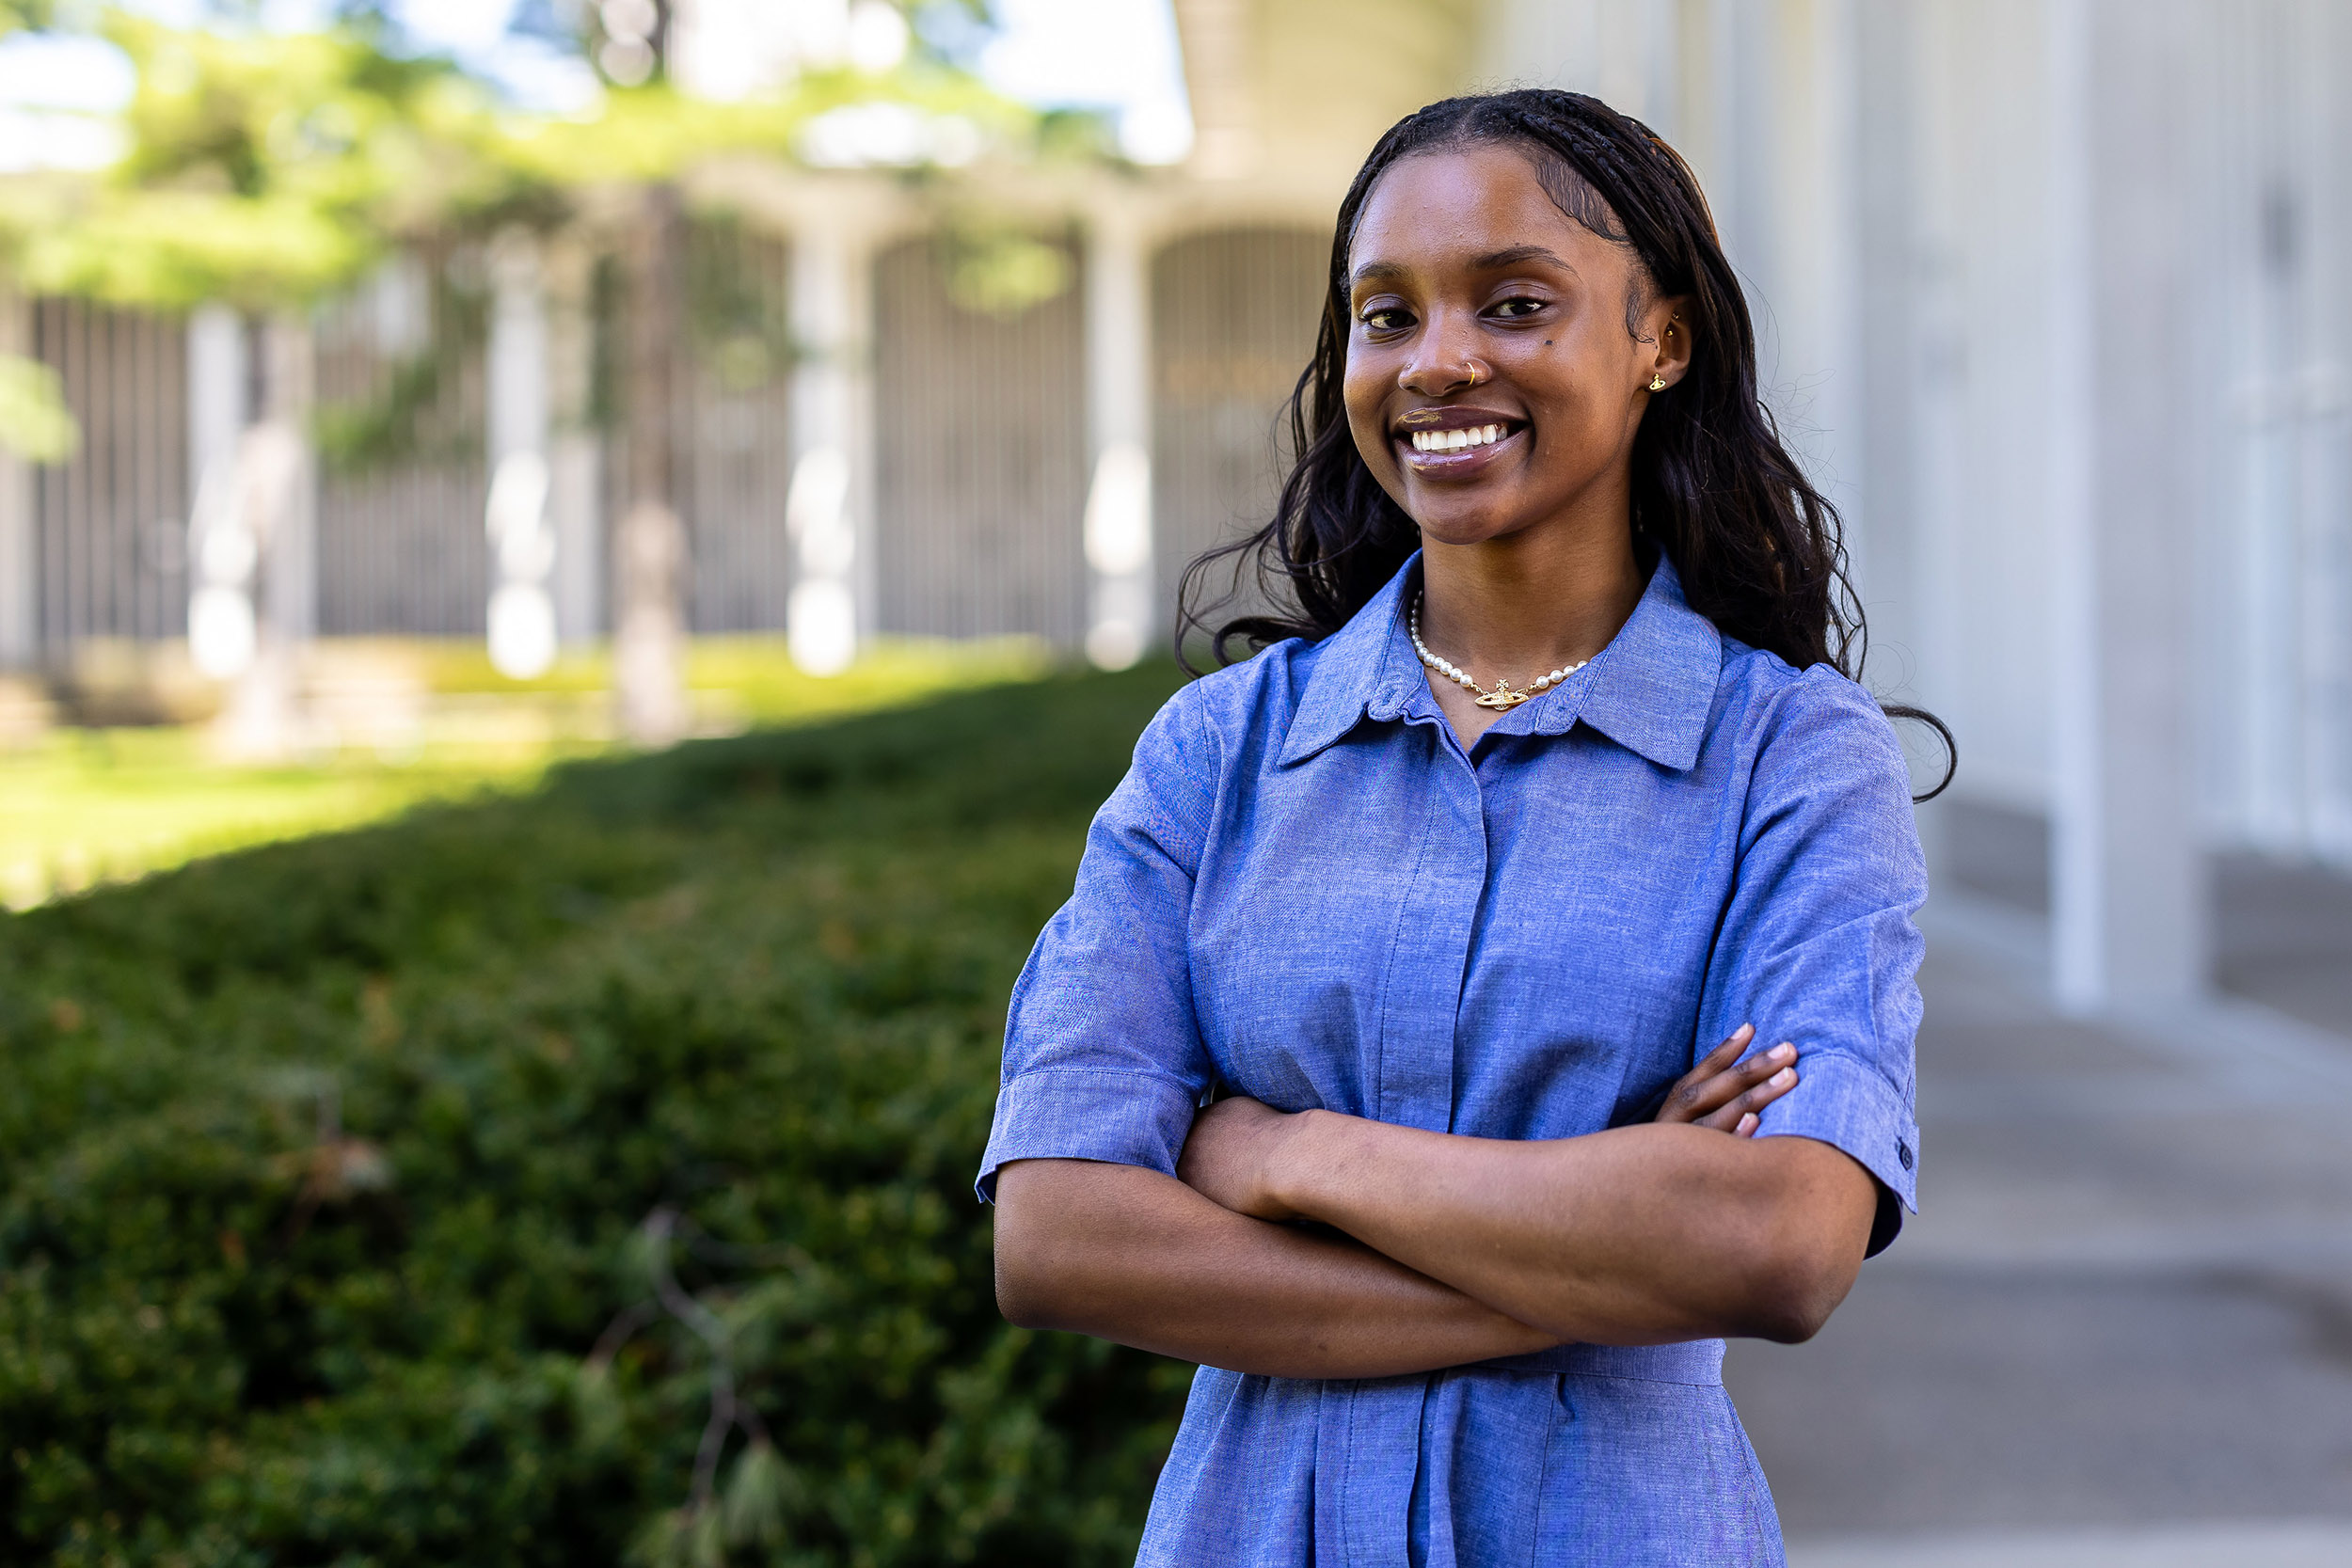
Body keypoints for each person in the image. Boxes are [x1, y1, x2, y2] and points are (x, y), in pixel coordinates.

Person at [979, 88, 1942, 1568]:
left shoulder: (1790, 759)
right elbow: (1056, 1237)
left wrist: (1290, 1156)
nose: (1440, 362)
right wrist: (1616, 1241)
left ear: (1661, 341)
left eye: (1515, 302)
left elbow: (1778, 1242)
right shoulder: (1217, 758)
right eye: (1386, 315)